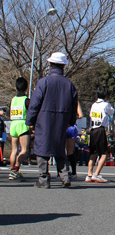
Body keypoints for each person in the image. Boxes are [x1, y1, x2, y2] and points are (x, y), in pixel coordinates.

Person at [26, 52, 78, 188]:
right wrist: (71, 121)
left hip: (44, 120)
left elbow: (35, 103)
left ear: (50, 64)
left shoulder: (43, 82)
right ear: (63, 66)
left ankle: (44, 179)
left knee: (42, 149)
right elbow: (74, 106)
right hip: (62, 121)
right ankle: (65, 177)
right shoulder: (69, 84)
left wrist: (30, 121)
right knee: (60, 149)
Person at [86, 87, 115, 183]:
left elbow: (90, 115)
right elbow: (112, 111)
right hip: (100, 129)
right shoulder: (106, 104)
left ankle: (89, 174)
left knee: (93, 153)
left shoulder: (94, 104)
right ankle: (96, 174)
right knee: (104, 153)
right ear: (106, 96)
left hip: (93, 129)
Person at [8, 77, 30, 181]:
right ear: (26, 88)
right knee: (24, 150)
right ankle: (16, 170)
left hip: (13, 124)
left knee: (14, 150)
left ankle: (12, 171)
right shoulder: (26, 100)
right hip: (22, 124)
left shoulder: (13, 99)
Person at [65, 102, 83, 180]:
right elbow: (81, 115)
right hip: (71, 127)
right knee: (69, 152)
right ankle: (72, 173)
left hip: (65, 126)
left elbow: (80, 115)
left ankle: (65, 172)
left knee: (64, 151)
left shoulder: (61, 97)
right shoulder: (75, 100)